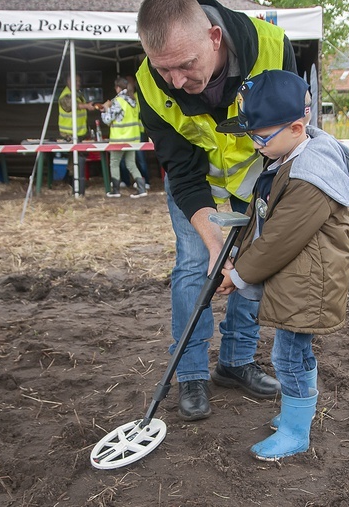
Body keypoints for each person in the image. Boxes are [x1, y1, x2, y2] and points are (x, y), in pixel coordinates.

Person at [136, 0, 296, 421]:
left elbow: (289, 128)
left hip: (258, 167)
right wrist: (213, 242)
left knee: (252, 260)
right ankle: (190, 373)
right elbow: (183, 173)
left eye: (186, 65)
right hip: (197, 179)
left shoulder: (272, 47)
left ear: (214, 37)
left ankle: (237, 361)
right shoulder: (149, 82)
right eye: (163, 68)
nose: (174, 80)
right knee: (194, 264)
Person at [215, 70, 349, 460]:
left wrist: (239, 274)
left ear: (298, 127)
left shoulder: (309, 176)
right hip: (297, 278)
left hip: (309, 284)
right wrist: (237, 259)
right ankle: (294, 415)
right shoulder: (286, 157)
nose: (254, 143)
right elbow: (261, 219)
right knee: (294, 353)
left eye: (260, 136)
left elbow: (279, 239)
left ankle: (296, 431)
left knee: (289, 356)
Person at [100, 76, 147, 198]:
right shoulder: (133, 100)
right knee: (131, 163)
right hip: (133, 138)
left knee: (114, 163)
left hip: (119, 139)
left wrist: (105, 109)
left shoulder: (118, 101)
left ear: (117, 88)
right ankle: (142, 188)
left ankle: (115, 190)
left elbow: (107, 119)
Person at [58, 73, 94, 186]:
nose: (79, 83)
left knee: (76, 157)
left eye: (79, 81)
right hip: (69, 133)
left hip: (80, 132)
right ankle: (74, 181)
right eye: (76, 81)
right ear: (68, 81)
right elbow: (71, 105)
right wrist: (87, 106)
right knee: (76, 156)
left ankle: (70, 178)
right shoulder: (65, 95)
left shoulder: (78, 94)